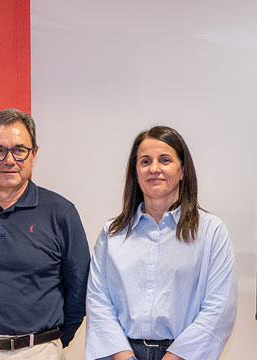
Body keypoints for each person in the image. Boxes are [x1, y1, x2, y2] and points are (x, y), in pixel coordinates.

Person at [0, 109, 89, 359]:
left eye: (19, 150)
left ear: (34, 155)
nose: (9, 160)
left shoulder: (61, 213)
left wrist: (53, 342)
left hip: (40, 351)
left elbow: (78, 288)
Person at [85, 126, 236, 360]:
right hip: (122, 355)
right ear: (135, 172)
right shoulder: (111, 234)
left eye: (165, 160)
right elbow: (98, 302)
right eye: (145, 161)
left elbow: (219, 309)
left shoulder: (211, 231)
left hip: (186, 355)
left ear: (183, 170)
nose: (154, 169)